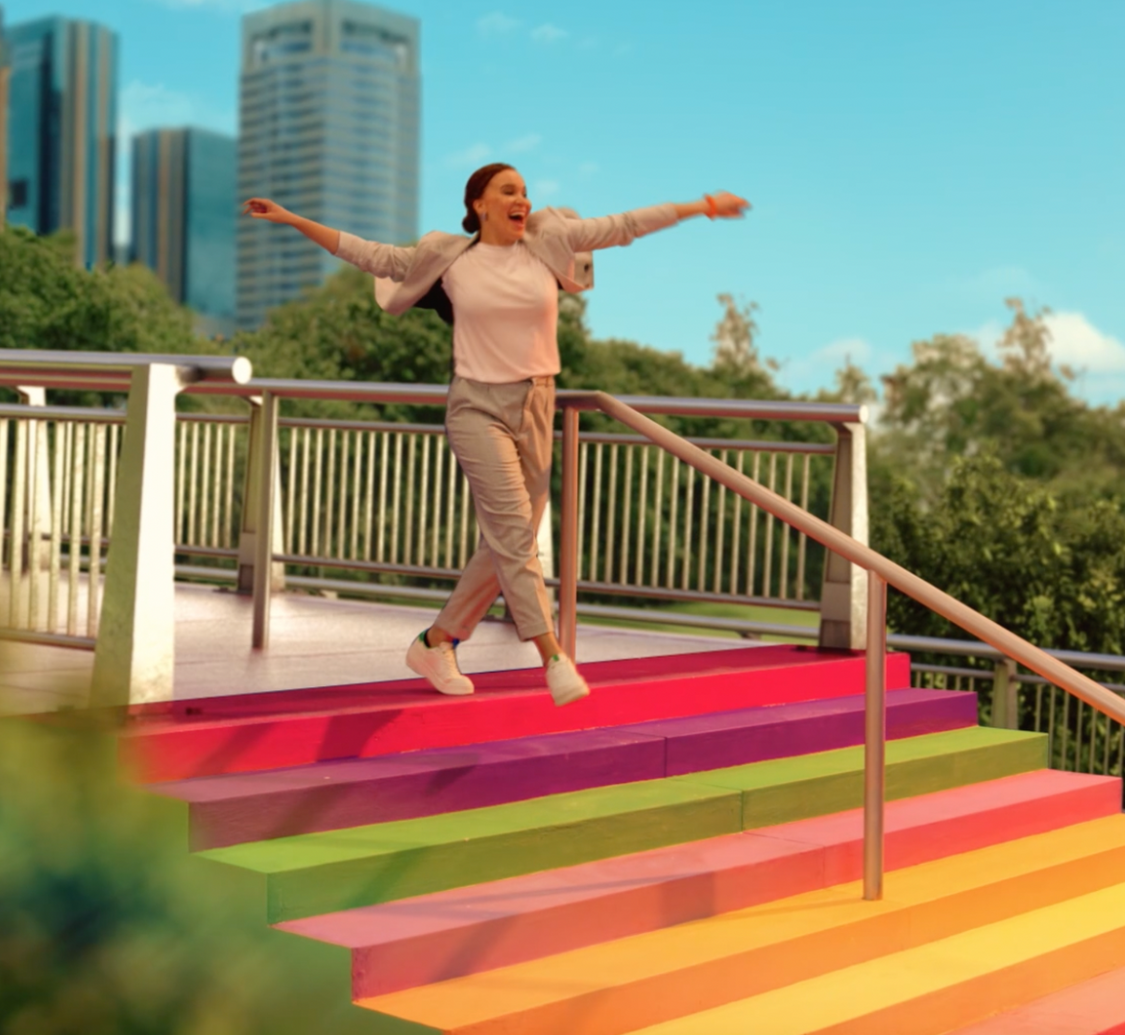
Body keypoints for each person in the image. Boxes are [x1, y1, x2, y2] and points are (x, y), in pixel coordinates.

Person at [242, 164, 751, 703]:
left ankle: (436, 642)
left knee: (511, 543)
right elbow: (367, 253)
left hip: (537, 404)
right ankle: (553, 657)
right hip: (476, 407)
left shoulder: (547, 242)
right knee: (512, 536)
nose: (523, 200)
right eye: (509, 191)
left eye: (526, 192)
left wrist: (703, 206)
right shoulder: (450, 259)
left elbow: (625, 225)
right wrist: (291, 218)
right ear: (479, 205)